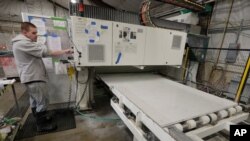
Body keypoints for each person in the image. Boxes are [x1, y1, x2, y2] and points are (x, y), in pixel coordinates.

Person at [12, 22, 72, 132]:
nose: (36, 35)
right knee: (42, 101)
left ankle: (40, 119)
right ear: (24, 32)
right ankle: (42, 125)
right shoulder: (23, 43)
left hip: (31, 77)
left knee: (35, 100)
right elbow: (45, 51)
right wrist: (64, 50)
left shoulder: (22, 43)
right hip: (34, 77)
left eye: (37, 33)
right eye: (33, 33)